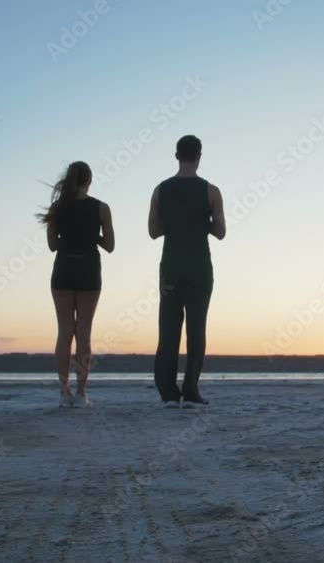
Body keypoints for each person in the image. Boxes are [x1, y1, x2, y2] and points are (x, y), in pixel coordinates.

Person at [148, 135, 225, 408]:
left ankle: (168, 392)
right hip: (199, 266)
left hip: (171, 266)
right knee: (197, 328)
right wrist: (202, 222)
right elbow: (221, 232)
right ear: (199, 156)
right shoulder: (211, 191)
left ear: (176, 156)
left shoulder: (160, 190)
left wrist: (174, 223)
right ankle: (191, 389)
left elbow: (153, 231)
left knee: (168, 329)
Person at [38, 161, 114, 408]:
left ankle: (64, 392)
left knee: (64, 331)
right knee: (84, 332)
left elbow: (52, 245)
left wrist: (70, 235)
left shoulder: (58, 208)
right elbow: (110, 246)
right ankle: (81, 393)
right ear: (89, 180)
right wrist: (92, 235)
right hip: (88, 270)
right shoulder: (101, 208)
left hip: (64, 269)